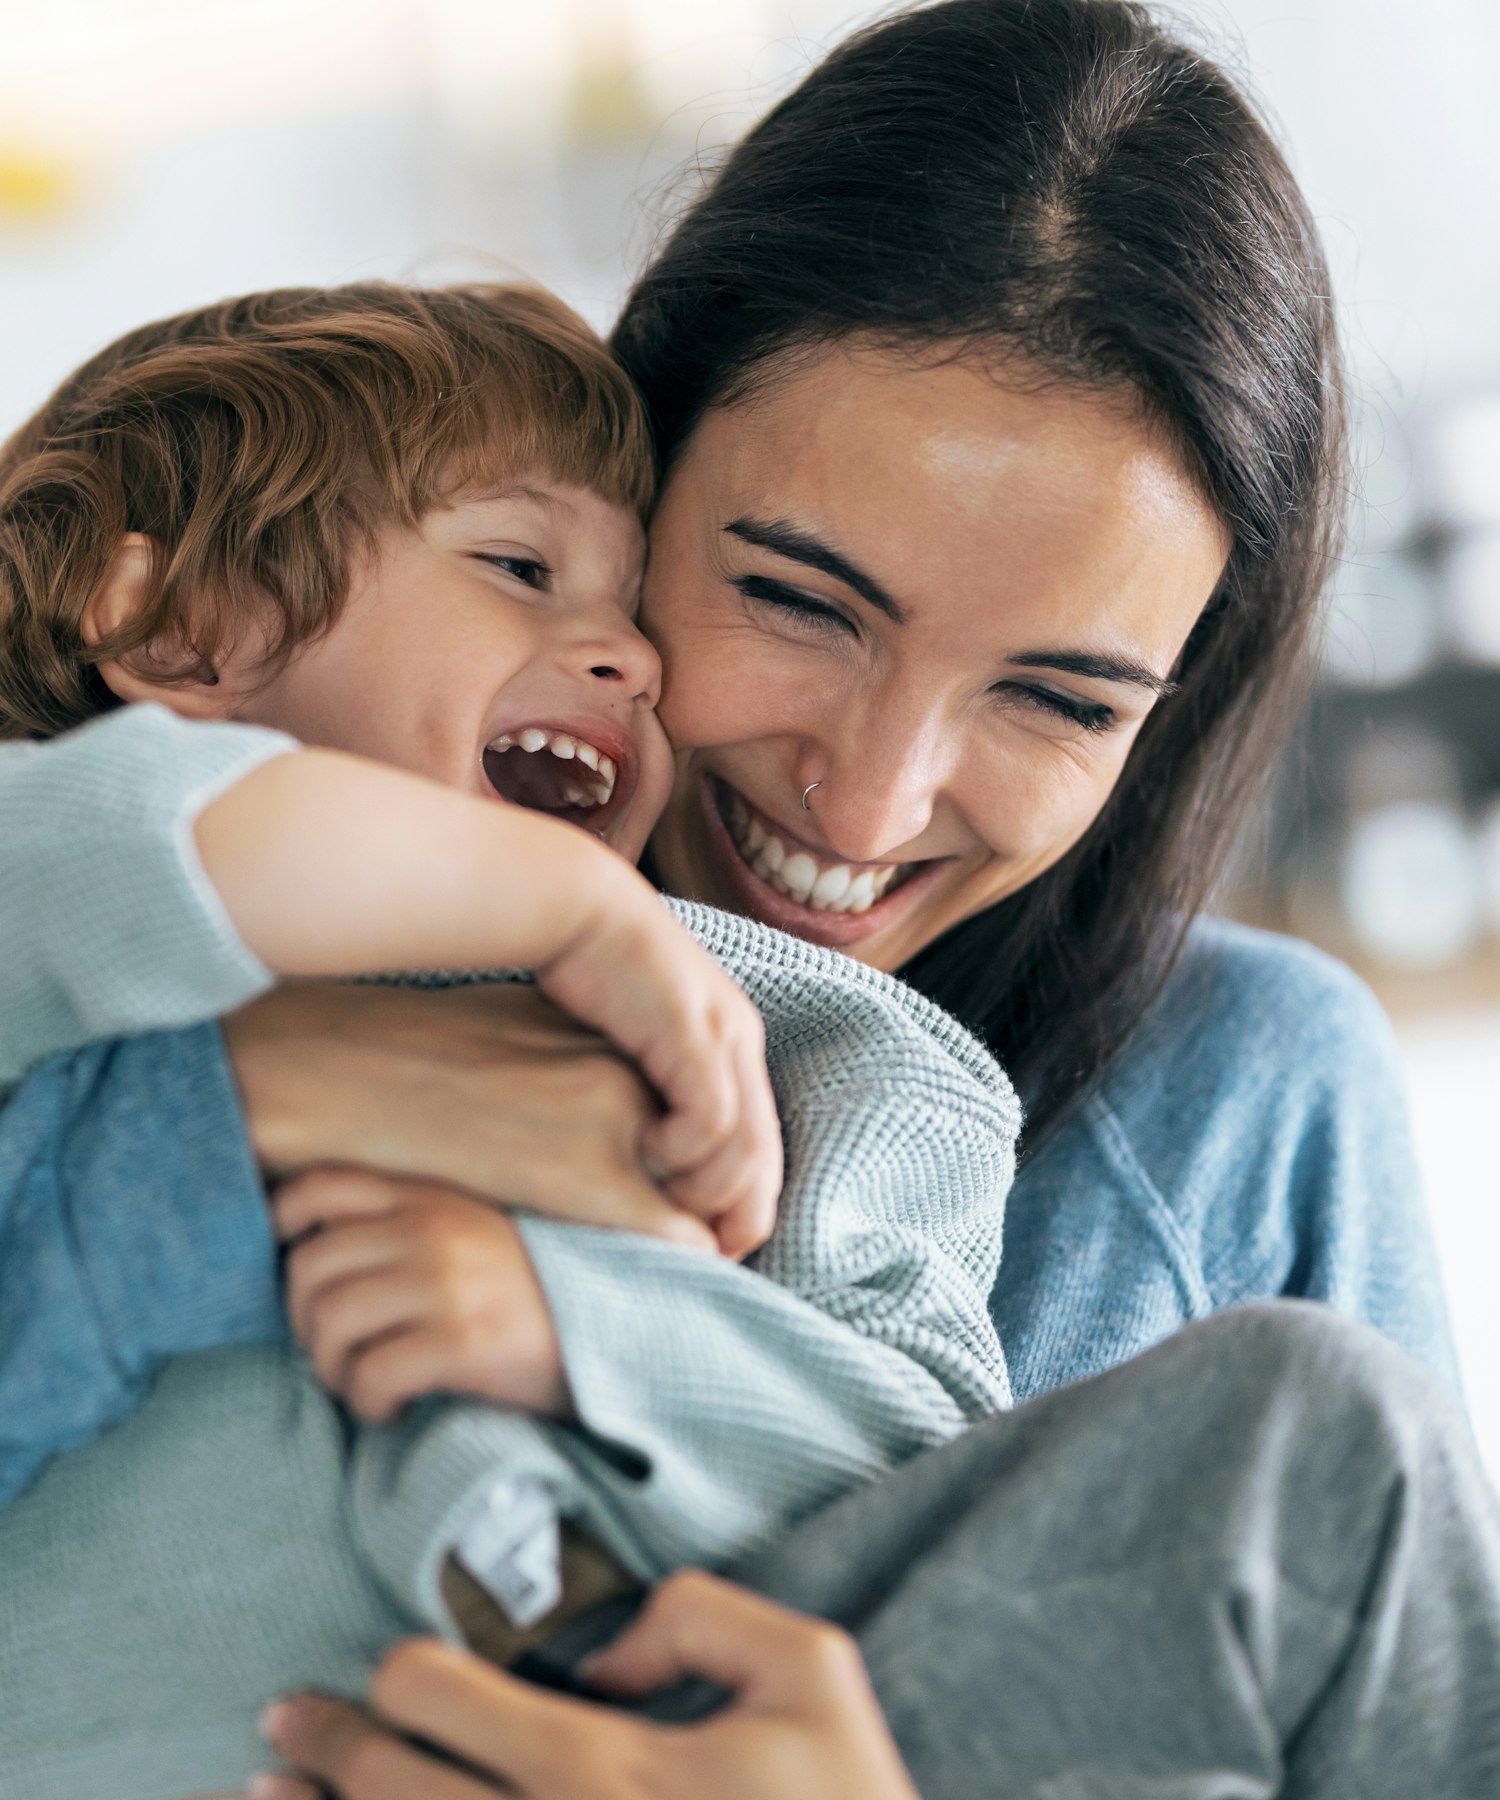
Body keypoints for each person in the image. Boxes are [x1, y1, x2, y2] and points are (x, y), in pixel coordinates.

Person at [0, 0, 1485, 1789]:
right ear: (644, 453)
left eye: (1062, 696)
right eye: (795, 597)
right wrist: (238, 1114)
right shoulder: (185, 841)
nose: (867, 798)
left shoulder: (1160, 1105)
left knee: (1340, 1451)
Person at [0, 279, 1024, 1797]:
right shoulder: (66, 908)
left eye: (628, 604)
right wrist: (560, 905)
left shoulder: (829, 1041)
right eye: (521, 564)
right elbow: (142, 837)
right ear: (184, 630)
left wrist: (585, 1335)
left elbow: (950, 1477)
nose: (631, 657)